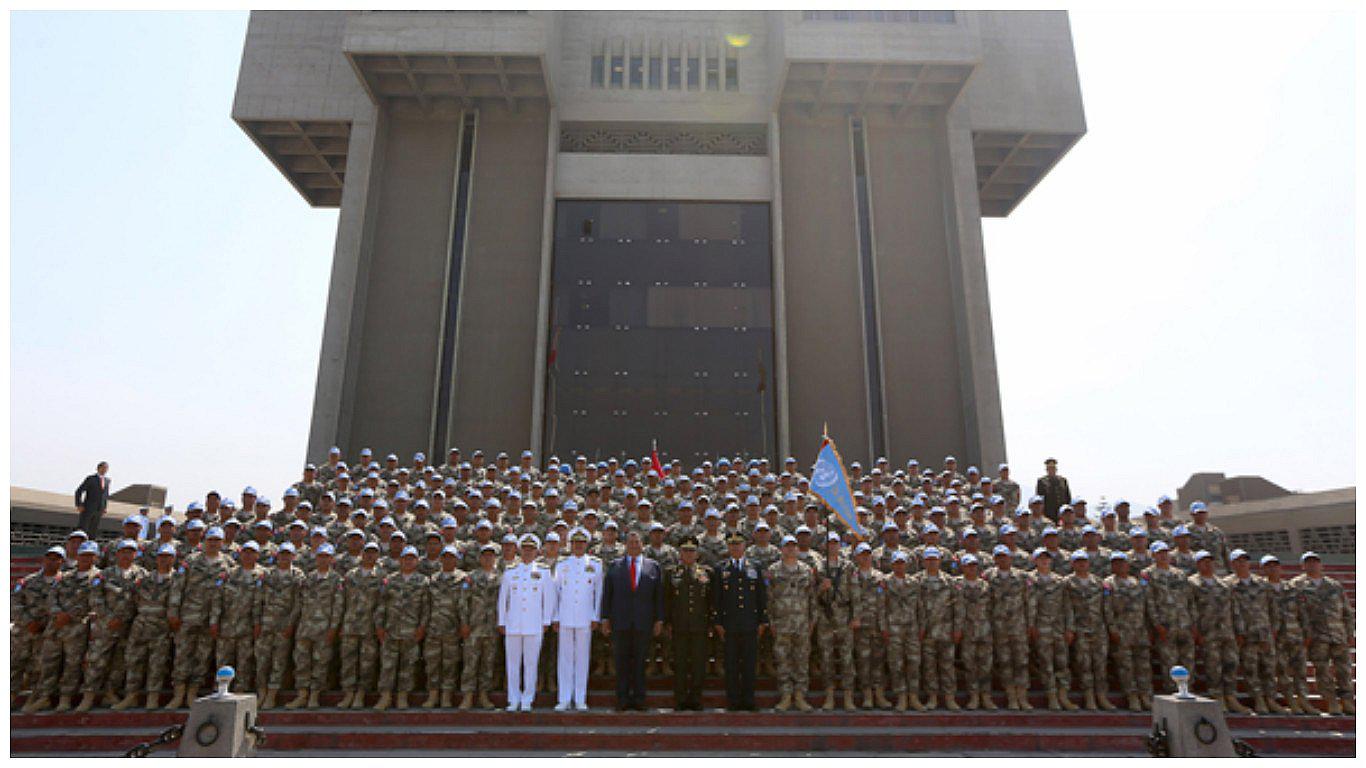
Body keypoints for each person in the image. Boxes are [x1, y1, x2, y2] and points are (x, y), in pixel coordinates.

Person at [600, 530, 664, 711]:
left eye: (637, 543)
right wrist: (605, 618)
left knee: (640, 662)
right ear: (625, 545)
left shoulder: (653, 566)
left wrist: (659, 619)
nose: (634, 546)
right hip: (621, 622)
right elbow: (607, 595)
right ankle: (622, 699)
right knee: (621, 662)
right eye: (630, 543)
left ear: (643, 545)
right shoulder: (614, 566)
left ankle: (639, 698)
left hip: (643, 622)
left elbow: (658, 596)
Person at [497, 534, 556, 712]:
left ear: (537, 551)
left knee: (531, 664)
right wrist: (502, 621)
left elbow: (549, 598)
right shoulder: (510, 571)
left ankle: (527, 699)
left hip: (534, 624)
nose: (528, 552)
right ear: (519, 550)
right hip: (513, 624)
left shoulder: (544, 572)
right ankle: (513, 699)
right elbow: (503, 600)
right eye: (525, 548)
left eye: (531, 549)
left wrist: (546, 621)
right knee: (513, 664)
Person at [712, 533, 767, 712]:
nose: (736, 548)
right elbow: (717, 599)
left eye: (739, 544)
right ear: (728, 547)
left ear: (745, 546)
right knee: (731, 663)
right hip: (730, 624)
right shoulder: (721, 569)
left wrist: (762, 620)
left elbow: (761, 596)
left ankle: (749, 700)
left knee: (750, 663)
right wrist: (718, 622)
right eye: (732, 545)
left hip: (750, 623)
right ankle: (733, 700)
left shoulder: (755, 567)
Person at [553, 529, 604, 711]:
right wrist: (556, 616)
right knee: (565, 659)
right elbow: (556, 593)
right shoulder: (562, 565)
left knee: (582, 658)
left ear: (586, 544)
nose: (579, 546)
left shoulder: (596, 565)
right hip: (565, 616)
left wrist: (595, 616)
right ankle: (564, 698)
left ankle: (580, 697)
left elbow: (598, 593)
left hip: (585, 617)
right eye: (575, 543)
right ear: (571, 544)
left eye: (582, 543)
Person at [663, 537, 713, 711]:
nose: (688, 554)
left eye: (692, 551)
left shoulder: (706, 573)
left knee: (699, 664)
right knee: (681, 663)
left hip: (700, 625)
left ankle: (696, 698)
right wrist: (667, 622)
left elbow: (710, 600)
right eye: (685, 550)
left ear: (697, 554)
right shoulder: (671, 573)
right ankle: (680, 699)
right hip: (679, 625)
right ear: (680, 553)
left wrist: (711, 623)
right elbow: (667, 600)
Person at [74, 461, 111, 535]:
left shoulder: (107, 481)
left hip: (99, 510)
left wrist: (104, 507)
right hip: (88, 508)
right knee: (83, 529)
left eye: (106, 468)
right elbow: (78, 491)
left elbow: (105, 495)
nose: (104, 470)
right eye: (103, 468)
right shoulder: (91, 479)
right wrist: (79, 505)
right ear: (98, 468)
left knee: (93, 530)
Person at [1034, 458, 1070, 523]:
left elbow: (1068, 497)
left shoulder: (1063, 480)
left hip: (1062, 513)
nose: (1051, 470)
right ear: (1047, 470)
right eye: (1049, 468)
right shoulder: (1042, 481)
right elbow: (1039, 498)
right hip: (1048, 512)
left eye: (1053, 468)